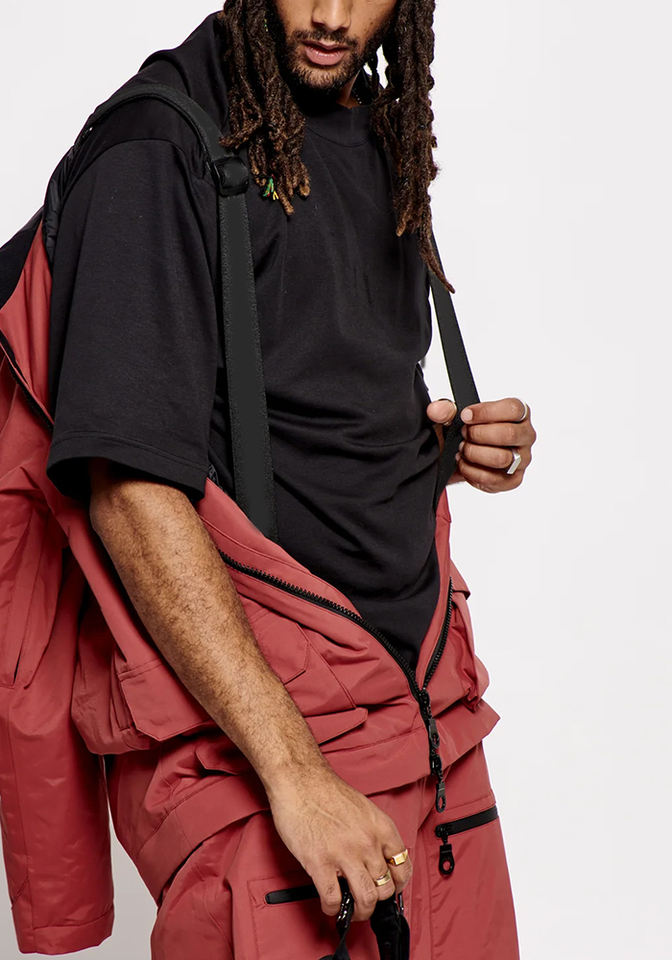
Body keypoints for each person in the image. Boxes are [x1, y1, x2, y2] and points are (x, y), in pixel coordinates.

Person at [44, 2, 535, 956]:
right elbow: (130, 492)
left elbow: (304, 395)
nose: (331, 15)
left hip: (435, 730)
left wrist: (441, 449)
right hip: (273, 759)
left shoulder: (381, 131)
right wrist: (296, 776)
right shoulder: (157, 147)